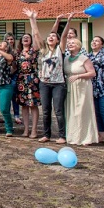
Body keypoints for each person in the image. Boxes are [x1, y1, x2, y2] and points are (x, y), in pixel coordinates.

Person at [24, 8, 66, 144]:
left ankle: (62, 136)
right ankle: (46, 134)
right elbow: (36, 34)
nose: (50, 37)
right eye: (49, 36)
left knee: (58, 111)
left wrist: (66, 21)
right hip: (44, 83)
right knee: (46, 110)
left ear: (58, 40)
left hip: (58, 84)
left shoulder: (60, 49)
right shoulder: (43, 50)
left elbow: (64, 36)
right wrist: (32, 19)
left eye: (53, 36)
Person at [64, 38, 98, 145]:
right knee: (72, 112)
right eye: (69, 43)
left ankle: (86, 137)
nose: (70, 44)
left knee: (82, 111)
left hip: (82, 87)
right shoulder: (66, 58)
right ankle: (73, 136)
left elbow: (92, 73)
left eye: (73, 43)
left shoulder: (84, 59)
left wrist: (78, 76)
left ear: (78, 45)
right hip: (70, 88)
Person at [15, 33, 40, 139]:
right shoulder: (18, 53)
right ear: (21, 41)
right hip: (21, 81)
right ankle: (26, 129)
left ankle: (34, 130)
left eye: (28, 37)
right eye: (23, 37)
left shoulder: (34, 51)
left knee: (33, 105)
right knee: (24, 106)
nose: (25, 38)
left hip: (32, 79)